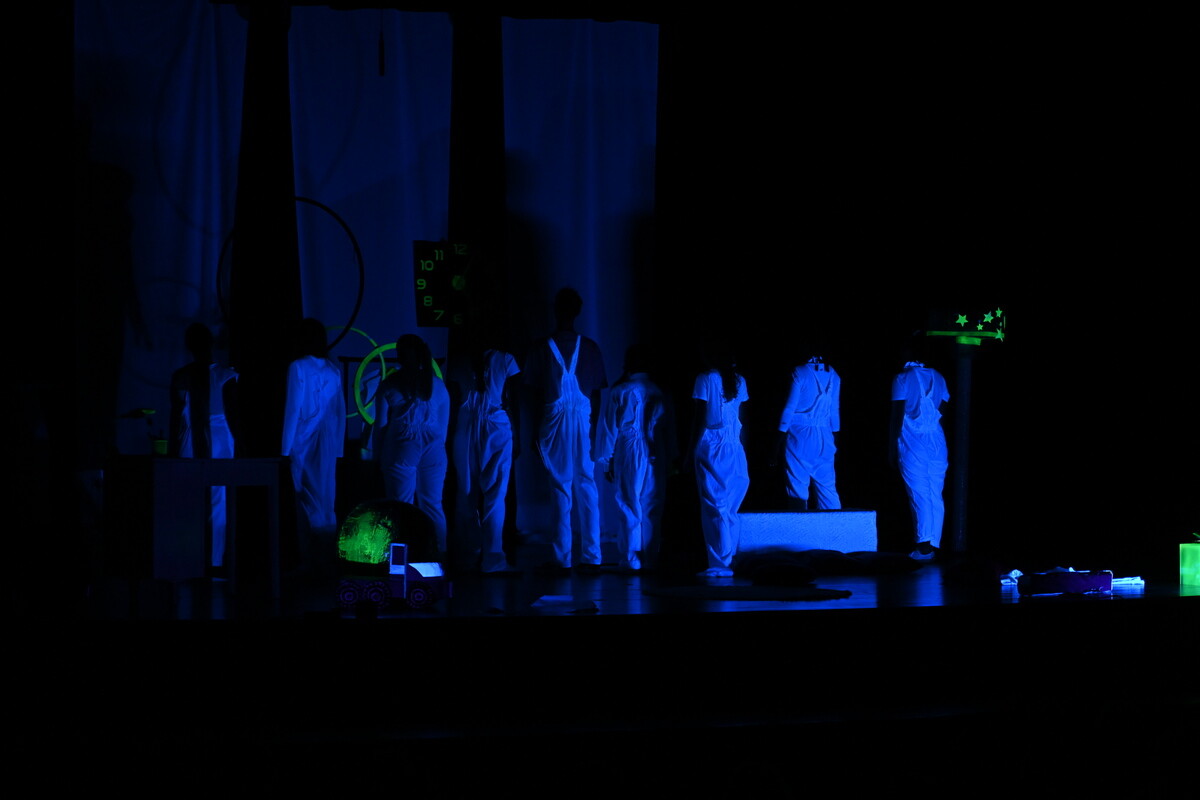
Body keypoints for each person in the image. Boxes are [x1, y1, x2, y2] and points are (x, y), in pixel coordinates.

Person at [524, 288, 607, 572]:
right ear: (578, 311)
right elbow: (597, 393)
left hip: (554, 419)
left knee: (561, 486)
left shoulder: (540, 348)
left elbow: (534, 395)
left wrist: (534, 431)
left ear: (556, 310)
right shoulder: (591, 348)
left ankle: (562, 558)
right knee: (587, 484)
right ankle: (592, 556)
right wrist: (594, 429)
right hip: (583, 420)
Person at [169, 323, 237, 568]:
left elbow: (176, 417)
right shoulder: (225, 375)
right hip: (218, 439)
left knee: (190, 498)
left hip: (195, 439)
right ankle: (213, 560)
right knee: (216, 500)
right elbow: (234, 416)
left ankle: (191, 558)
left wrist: (172, 450)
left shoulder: (184, 376)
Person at [374, 334, 450, 554]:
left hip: (400, 445)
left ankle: (400, 564)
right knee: (433, 505)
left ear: (399, 355)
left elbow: (381, 426)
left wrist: (377, 456)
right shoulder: (438, 386)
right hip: (434, 448)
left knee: (400, 507)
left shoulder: (390, 384)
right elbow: (443, 428)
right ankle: (438, 558)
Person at [452, 341, 521, 573]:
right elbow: (512, 399)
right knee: (495, 492)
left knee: (466, 491)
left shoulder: (460, 358)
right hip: (494, 422)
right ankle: (492, 557)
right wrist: (518, 434)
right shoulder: (505, 358)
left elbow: (454, 395)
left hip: (467, 422)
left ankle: (469, 554)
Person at [596, 345, 665, 571]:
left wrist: (606, 460)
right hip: (654, 449)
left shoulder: (621, 390)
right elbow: (668, 426)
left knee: (628, 502)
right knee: (650, 504)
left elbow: (609, 429)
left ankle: (631, 558)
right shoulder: (657, 390)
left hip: (628, 447)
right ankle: (650, 557)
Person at [282, 319, 346, 544]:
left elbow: (293, 408)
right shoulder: (332, 369)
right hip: (327, 440)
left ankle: (311, 553)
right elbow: (339, 412)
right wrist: (338, 448)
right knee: (325, 493)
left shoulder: (298, 366)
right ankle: (325, 549)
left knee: (304, 493)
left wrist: (285, 449)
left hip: (304, 439)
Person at [692, 345, 749, 578]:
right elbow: (741, 416)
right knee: (730, 507)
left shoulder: (706, 378)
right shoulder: (739, 380)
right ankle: (729, 559)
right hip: (735, 447)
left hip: (713, 445)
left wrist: (690, 451)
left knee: (715, 505)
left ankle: (721, 564)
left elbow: (700, 417)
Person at [890, 354, 950, 560]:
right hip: (937, 441)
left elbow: (897, 416)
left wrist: (891, 448)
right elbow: (942, 411)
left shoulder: (902, 378)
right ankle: (933, 545)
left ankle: (924, 546)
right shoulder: (939, 377)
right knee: (935, 493)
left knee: (920, 493)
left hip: (913, 440)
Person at [775, 355, 841, 510]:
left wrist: (776, 443)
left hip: (800, 434)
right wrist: (834, 440)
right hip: (825, 435)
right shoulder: (834, 374)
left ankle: (800, 523)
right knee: (828, 489)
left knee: (797, 487)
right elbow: (834, 411)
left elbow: (789, 409)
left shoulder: (799, 372)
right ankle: (835, 524)